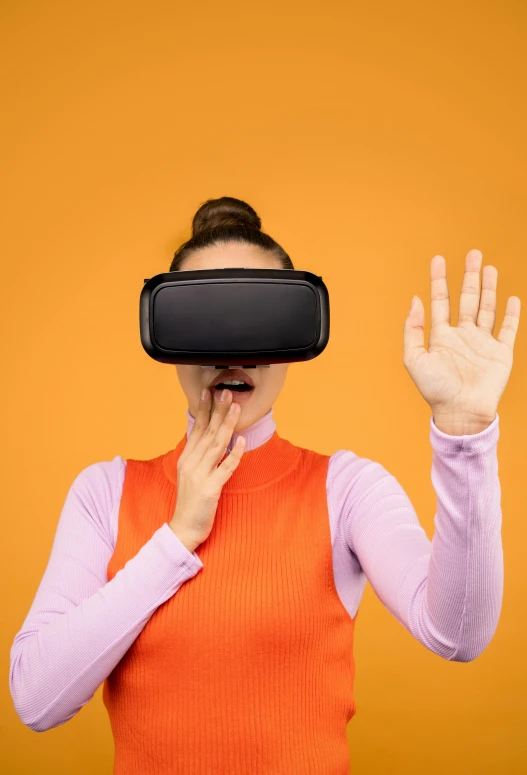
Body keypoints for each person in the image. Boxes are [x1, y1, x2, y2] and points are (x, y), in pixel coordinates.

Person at [10, 196, 518, 774]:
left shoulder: (347, 489)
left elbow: (458, 634)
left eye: (257, 317)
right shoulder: (104, 492)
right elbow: (35, 699)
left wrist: (465, 434)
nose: (233, 348)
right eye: (205, 319)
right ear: (167, 336)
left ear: (292, 337)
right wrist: (177, 538)